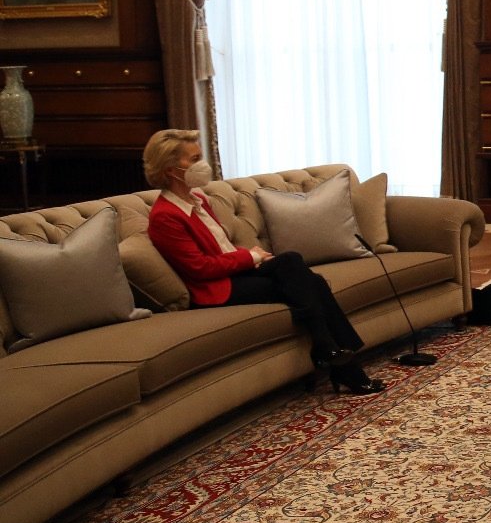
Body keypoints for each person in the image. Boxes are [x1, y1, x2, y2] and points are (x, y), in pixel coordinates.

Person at [142, 129, 385, 395]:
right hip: (217, 289)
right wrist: (250, 257)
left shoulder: (198, 198)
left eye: (200, 156)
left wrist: (250, 255)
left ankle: (328, 350)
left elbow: (220, 247)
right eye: (193, 159)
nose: (202, 164)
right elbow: (200, 268)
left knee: (296, 267)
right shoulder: (165, 216)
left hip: (237, 273)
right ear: (169, 168)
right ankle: (338, 359)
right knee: (310, 282)